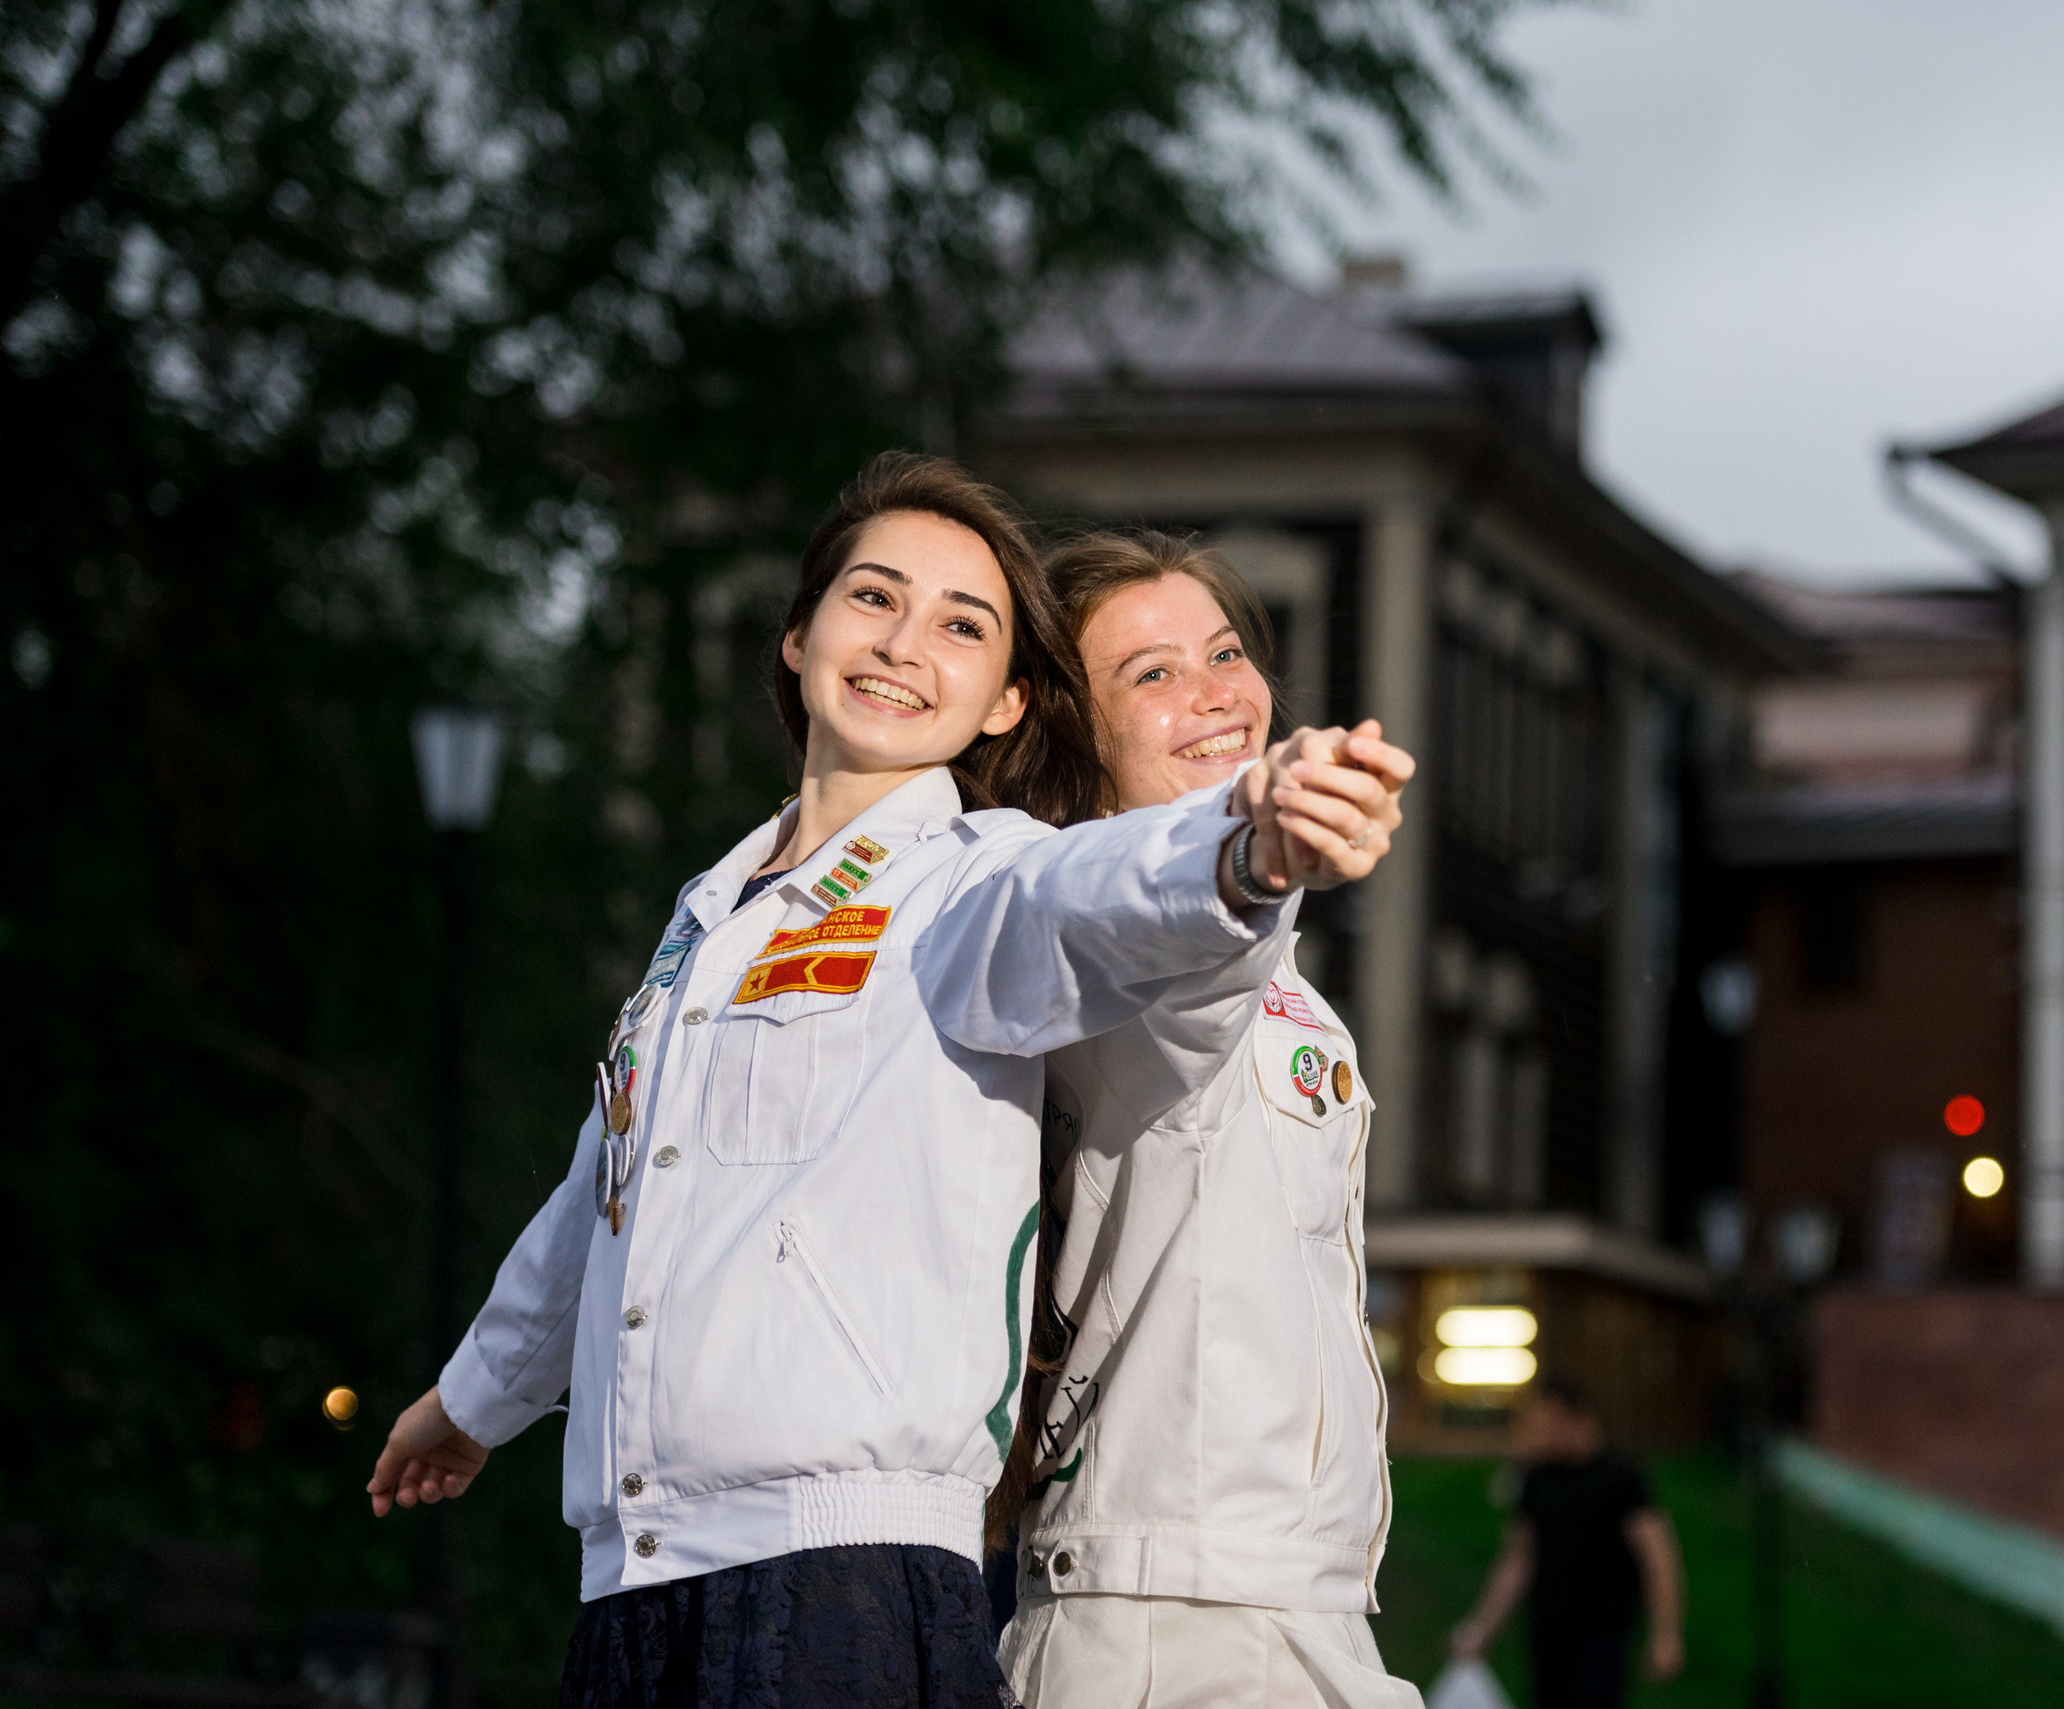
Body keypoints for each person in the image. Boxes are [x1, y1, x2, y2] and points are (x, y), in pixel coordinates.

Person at [361, 455, 1403, 1709]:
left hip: (846, 1575)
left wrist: (1246, 848)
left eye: (962, 623)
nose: (907, 644)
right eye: (874, 599)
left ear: (1009, 700)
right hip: (639, 1571)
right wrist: (473, 1395)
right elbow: (606, 1191)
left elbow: (1101, 896)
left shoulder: (971, 882)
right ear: (797, 637)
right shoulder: (701, 927)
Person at [992, 531, 1422, 1709]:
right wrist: (1258, 846)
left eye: (1225, 651)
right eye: (1152, 674)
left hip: (1299, 1603)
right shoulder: (1095, 941)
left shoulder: (1285, 986)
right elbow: (1176, 918)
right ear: (1074, 732)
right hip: (1163, 1621)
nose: (1217, 693)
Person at [1448, 1383, 1685, 1709]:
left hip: (1603, 1632)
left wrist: (1666, 1633)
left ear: (1575, 1419)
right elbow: (1518, 1559)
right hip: (1548, 1629)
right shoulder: (1538, 1480)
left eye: (1544, 1425)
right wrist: (1481, 1628)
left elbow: (1657, 1557)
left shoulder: (1620, 1475)